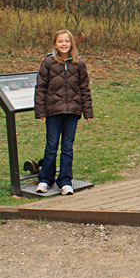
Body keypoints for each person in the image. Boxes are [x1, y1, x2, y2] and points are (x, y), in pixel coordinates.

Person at [34, 29, 94, 195]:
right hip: (53, 111)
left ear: (71, 44)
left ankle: (65, 181)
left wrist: (87, 111)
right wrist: (41, 111)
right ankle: (45, 179)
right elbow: (40, 88)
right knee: (51, 146)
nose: (63, 44)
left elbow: (84, 88)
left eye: (66, 41)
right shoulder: (48, 63)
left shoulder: (79, 64)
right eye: (60, 41)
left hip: (72, 112)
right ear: (55, 44)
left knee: (67, 147)